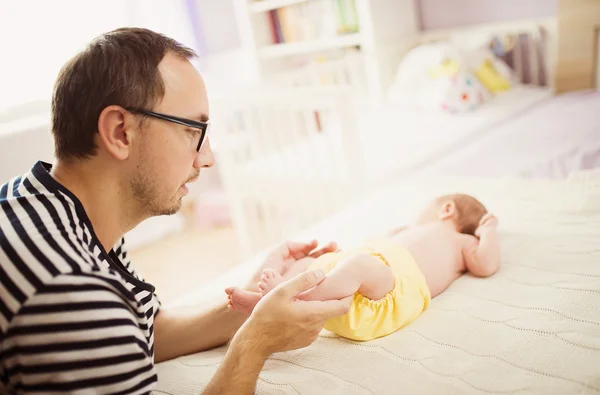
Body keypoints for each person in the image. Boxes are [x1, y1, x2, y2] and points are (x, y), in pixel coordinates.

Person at [0, 27, 351, 394]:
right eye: (192, 130)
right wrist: (255, 343)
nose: (208, 158)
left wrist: (251, 307)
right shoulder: (71, 293)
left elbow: (145, 330)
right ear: (120, 131)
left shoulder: (43, 203)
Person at [226, 194, 501, 341]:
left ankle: (293, 299)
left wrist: (488, 231)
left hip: (393, 289)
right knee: (312, 263)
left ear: (447, 209)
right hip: (359, 277)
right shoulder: (405, 230)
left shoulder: (462, 240)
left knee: (359, 265)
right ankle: (266, 302)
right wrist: (333, 261)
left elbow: (486, 264)